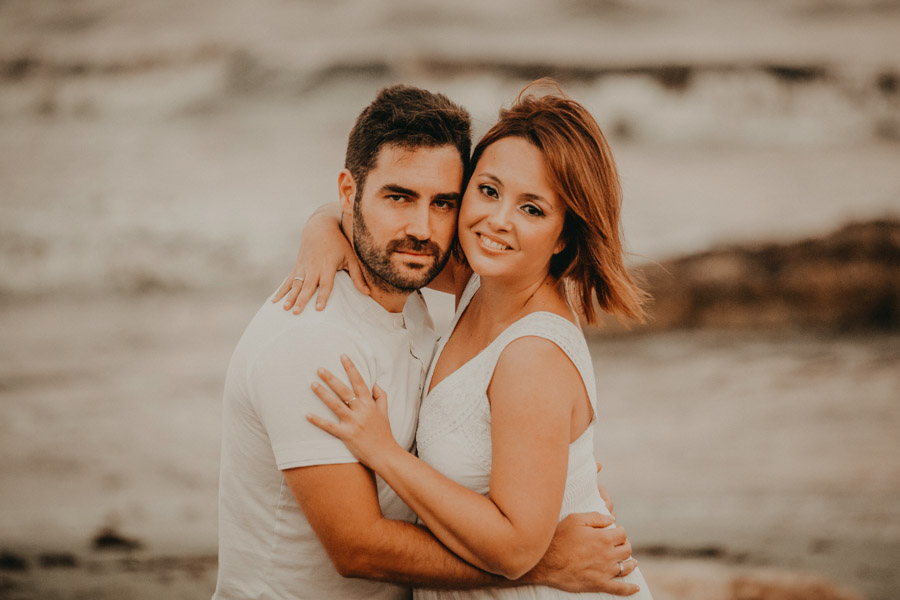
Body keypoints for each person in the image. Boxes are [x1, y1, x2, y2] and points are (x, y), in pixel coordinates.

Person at [214, 84, 640, 599]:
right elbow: (360, 548)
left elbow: (515, 548)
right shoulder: (477, 281)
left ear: (564, 234)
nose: (497, 220)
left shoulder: (530, 352)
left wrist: (385, 452)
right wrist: (322, 226)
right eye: (487, 191)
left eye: (532, 209)